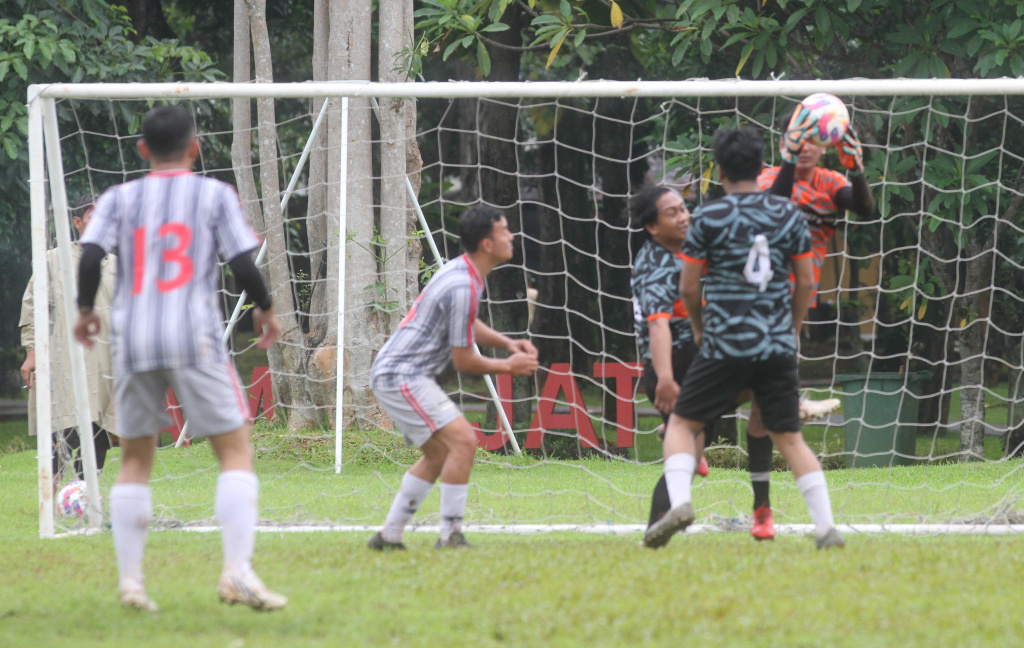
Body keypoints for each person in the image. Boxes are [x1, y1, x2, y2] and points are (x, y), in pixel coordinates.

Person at [73, 105, 286, 612]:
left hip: (134, 338)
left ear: (143, 150)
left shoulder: (119, 198)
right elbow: (241, 263)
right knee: (234, 452)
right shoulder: (213, 195)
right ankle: (236, 572)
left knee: (135, 460)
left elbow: (89, 255)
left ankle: (131, 583)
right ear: (195, 146)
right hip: (195, 336)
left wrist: (85, 310)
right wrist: (266, 308)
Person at [642, 126, 844, 550]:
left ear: (719, 169)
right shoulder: (788, 214)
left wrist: (698, 326)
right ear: (761, 166)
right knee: (789, 437)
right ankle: (826, 528)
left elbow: (689, 287)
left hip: (724, 344)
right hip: (776, 345)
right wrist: (790, 328)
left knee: (681, 424)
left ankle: (680, 503)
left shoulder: (710, 216)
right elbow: (806, 282)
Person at [367, 205, 539, 551]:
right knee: (463, 441)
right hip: (402, 375)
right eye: (505, 231)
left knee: (437, 454)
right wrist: (509, 366)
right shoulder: (463, 284)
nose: (512, 236)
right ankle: (451, 534)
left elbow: (467, 323)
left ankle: (388, 536)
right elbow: (463, 360)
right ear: (487, 244)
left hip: (397, 373)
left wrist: (506, 343)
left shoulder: (463, 274)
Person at [630, 186, 777, 541]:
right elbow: (658, 325)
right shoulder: (654, 264)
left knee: (755, 401)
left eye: (684, 208)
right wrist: (665, 379)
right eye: (673, 212)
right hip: (678, 365)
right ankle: (661, 522)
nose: (684, 217)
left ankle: (760, 511)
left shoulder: (694, 248)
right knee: (692, 445)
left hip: (707, 358)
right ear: (652, 226)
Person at [758, 106, 876, 423]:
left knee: (765, 398)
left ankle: (760, 467)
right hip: (758, 288)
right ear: (785, 143)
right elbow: (774, 206)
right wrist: (790, 161)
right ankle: (792, 401)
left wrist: (856, 169)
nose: (807, 147)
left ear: (825, 145)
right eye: (800, 140)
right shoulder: (768, 178)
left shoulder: (829, 182)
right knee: (771, 361)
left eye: (814, 140)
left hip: (799, 291)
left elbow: (865, 207)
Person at [20, 194, 117, 488]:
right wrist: (32, 350)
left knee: (96, 430)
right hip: (61, 363)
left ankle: (87, 497)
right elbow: (32, 306)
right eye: (92, 216)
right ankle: (49, 500)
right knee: (57, 429)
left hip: (104, 364)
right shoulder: (53, 259)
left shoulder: (118, 265)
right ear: (77, 222)